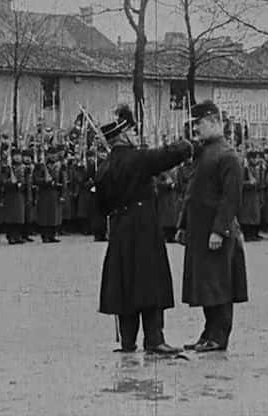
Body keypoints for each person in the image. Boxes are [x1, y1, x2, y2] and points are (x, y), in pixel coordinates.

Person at [96, 104, 193, 355]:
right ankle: (154, 339)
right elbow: (172, 154)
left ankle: (128, 342)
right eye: (133, 131)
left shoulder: (104, 166)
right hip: (143, 228)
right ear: (124, 135)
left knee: (125, 284)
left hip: (118, 229)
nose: (137, 135)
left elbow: (99, 205)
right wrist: (187, 142)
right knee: (150, 283)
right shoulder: (138, 159)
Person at [177, 100, 248, 353]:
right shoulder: (204, 152)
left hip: (216, 233)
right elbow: (192, 192)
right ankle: (208, 333)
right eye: (194, 124)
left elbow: (231, 199)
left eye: (200, 124)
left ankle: (220, 336)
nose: (196, 129)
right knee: (206, 285)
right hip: (200, 231)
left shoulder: (227, 155)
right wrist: (183, 224)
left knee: (220, 285)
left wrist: (219, 230)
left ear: (216, 122)